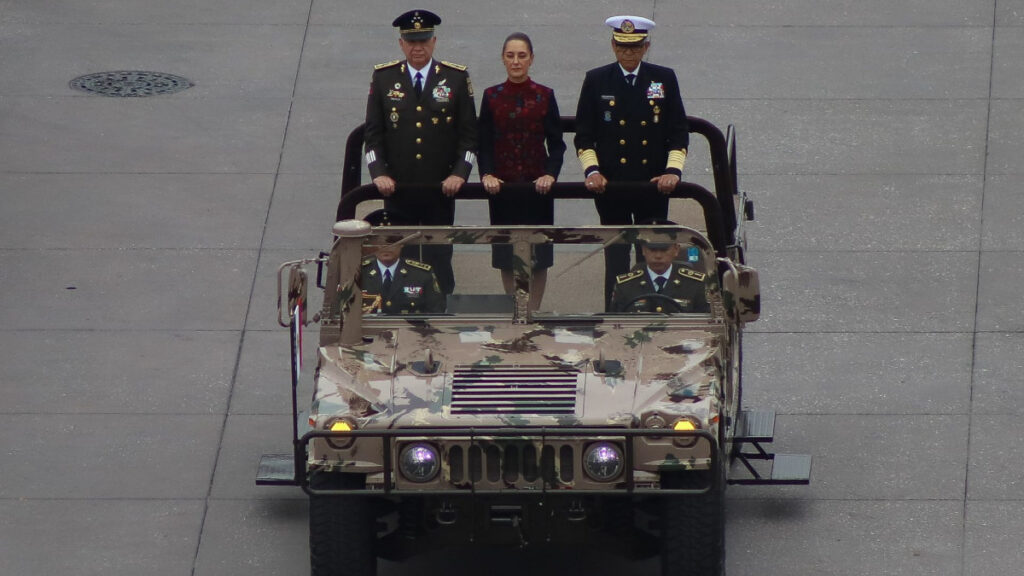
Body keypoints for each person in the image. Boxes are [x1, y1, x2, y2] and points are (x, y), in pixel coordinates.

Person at [573, 15, 689, 309]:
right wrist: (593, 171)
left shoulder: (663, 79)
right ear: (613, 46)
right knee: (616, 256)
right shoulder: (597, 80)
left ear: (645, 47)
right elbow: (584, 136)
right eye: (623, 47)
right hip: (612, 187)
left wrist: (672, 171)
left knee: (654, 254)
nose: (628, 53)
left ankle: (654, 312)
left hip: (652, 186)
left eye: (635, 47)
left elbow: (678, 132)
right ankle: (615, 314)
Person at [363, 9, 478, 295]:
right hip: (398, 191)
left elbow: (469, 138)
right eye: (411, 41)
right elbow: (372, 137)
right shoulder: (384, 78)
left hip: (440, 191)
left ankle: (442, 311)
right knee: (400, 254)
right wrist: (378, 174)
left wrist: (459, 174)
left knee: (439, 256)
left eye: (423, 41)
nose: (418, 47)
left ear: (434, 41)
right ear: (401, 44)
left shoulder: (455, 79)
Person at [478, 32, 566, 310]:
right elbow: (484, 143)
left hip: (537, 188)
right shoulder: (491, 96)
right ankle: (514, 308)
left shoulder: (544, 95)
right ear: (503, 59)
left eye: (522, 55)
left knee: (538, 254)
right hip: (502, 189)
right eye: (510, 55)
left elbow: (557, 144)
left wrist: (551, 174)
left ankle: (535, 312)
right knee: (506, 254)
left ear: (531, 59)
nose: (516, 61)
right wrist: (487, 174)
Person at [360, 210, 446, 314]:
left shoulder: (421, 274)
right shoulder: (358, 273)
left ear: (402, 243)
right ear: (372, 244)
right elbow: (342, 313)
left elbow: (436, 312)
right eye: (378, 241)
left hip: (412, 330)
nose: (385, 246)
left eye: (392, 240)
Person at [609, 236, 708, 313]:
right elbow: (614, 325)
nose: (658, 256)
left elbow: (706, 325)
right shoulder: (626, 285)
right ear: (643, 250)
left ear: (676, 250)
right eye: (652, 250)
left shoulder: (695, 284)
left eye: (664, 250)